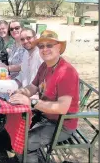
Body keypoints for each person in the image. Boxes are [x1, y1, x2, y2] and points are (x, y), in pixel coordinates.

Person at [9, 30, 79, 163]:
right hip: (45, 116)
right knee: (17, 131)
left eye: (49, 45)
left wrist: (31, 102)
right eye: (41, 46)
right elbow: (33, 87)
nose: (44, 49)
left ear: (59, 47)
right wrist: (20, 92)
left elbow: (62, 108)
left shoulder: (66, 72)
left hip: (62, 124)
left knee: (25, 143)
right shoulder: (45, 65)